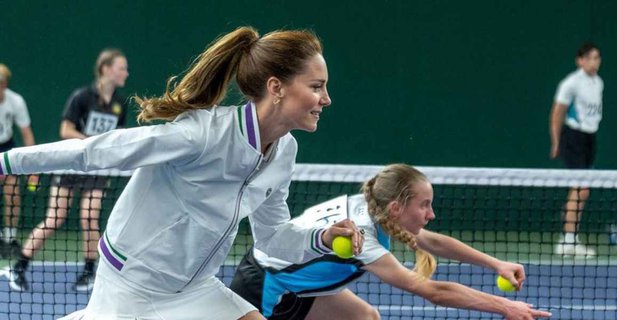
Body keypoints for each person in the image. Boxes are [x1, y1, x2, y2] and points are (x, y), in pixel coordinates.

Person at [0, 26, 362, 320]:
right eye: (316, 86)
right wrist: (6, 162)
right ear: (276, 88)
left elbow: (272, 239)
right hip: (132, 284)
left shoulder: (285, 152)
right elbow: (91, 152)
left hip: (195, 288)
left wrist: (324, 238)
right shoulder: (200, 135)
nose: (326, 98)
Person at [231, 164, 553, 320]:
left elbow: (433, 242)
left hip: (297, 284)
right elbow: (432, 292)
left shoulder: (375, 206)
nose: (431, 214)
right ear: (397, 208)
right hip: (265, 287)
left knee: (366, 318)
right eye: (424, 205)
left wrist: (495, 263)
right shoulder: (365, 240)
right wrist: (505, 306)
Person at [7, 49, 129, 293]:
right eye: (121, 67)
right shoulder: (82, 97)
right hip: (72, 165)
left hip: (98, 172)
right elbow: (65, 130)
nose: (126, 72)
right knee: (55, 218)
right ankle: (19, 267)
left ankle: (88, 272)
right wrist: (89, 144)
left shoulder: (119, 104)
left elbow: (116, 136)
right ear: (106, 68)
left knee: (89, 218)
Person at [549, 42, 603, 258]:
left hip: (590, 137)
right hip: (573, 137)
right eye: (590, 57)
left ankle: (570, 235)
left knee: (583, 189)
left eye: (597, 57)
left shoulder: (598, 82)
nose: (594, 62)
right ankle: (567, 240)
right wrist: (556, 142)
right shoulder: (570, 83)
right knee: (579, 187)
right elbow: (557, 112)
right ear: (580, 60)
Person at [0, 63, 37, 260]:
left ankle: (10, 239)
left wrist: (32, 167)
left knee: (13, 194)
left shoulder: (16, 101)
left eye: (1, 83)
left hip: (6, 148)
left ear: (5, 84)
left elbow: (27, 134)